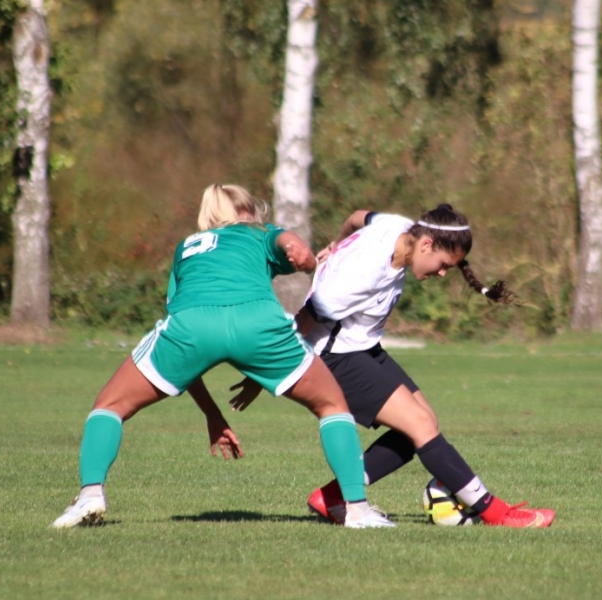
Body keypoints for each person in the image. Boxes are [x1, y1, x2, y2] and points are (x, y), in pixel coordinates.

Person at [51, 184, 394, 530]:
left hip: (192, 326)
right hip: (256, 321)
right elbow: (291, 246)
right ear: (240, 213)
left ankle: (90, 495)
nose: (251, 216)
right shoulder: (257, 232)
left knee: (109, 405)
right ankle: (357, 510)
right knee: (332, 405)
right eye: (246, 209)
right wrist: (302, 255)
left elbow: (187, 343)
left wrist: (212, 415)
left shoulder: (186, 248)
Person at [230, 204, 555, 528]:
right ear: (426, 245)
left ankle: (332, 497)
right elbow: (306, 319)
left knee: (422, 424)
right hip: (334, 358)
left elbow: (358, 216)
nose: (442, 274)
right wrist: (266, 373)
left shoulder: (398, 226)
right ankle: (496, 513)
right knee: (420, 427)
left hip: (362, 349)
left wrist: (336, 243)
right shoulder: (363, 273)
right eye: (443, 265)